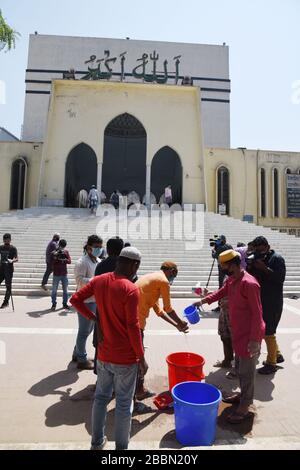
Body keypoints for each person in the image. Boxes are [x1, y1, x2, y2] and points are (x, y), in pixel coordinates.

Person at [70, 247, 148, 451]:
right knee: (123, 404)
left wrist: (94, 318)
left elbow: (75, 299)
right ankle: (121, 450)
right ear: (135, 265)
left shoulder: (99, 280)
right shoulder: (130, 289)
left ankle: (97, 443)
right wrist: (141, 357)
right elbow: (133, 327)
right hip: (126, 359)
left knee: (101, 399)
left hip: (103, 355)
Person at [194, 249, 265, 424]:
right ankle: (242, 395)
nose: (221, 268)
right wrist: (203, 301)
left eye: (223, 265)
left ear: (232, 264)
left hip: (249, 336)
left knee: (247, 373)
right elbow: (220, 293)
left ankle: (245, 406)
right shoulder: (232, 280)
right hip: (238, 333)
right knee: (240, 368)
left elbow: (258, 314)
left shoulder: (249, 284)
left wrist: (255, 340)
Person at [135, 261, 189, 400]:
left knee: (133, 356)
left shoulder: (153, 279)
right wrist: (181, 322)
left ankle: (133, 389)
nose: (173, 279)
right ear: (171, 270)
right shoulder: (163, 281)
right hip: (136, 323)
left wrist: (176, 325)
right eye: (174, 275)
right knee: (139, 359)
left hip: (129, 319)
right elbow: (168, 308)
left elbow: (159, 310)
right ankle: (138, 392)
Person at [247, 236, 286, 375]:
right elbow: (254, 278)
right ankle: (278, 354)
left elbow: (279, 278)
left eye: (261, 249)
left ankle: (271, 363)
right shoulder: (259, 259)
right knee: (264, 330)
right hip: (262, 300)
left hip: (273, 302)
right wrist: (251, 266)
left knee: (269, 332)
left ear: (267, 246)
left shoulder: (277, 259)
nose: (259, 252)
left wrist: (265, 268)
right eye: (256, 250)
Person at [93, 237, 125, 373]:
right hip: (119, 313)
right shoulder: (125, 266)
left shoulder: (100, 266)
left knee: (100, 343)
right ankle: (115, 377)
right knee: (118, 345)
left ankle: (99, 375)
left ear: (108, 249)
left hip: (101, 310)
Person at [72, 235, 103, 370]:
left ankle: (77, 353)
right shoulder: (82, 262)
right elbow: (79, 280)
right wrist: (94, 281)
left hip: (95, 300)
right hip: (85, 301)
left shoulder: (98, 260)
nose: (99, 249)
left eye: (100, 247)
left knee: (88, 329)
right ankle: (82, 359)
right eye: (96, 247)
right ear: (89, 247)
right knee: (84, 331)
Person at [211, 235, 233, 312]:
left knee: (221, 286)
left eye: (219, 240)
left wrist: (213, 251)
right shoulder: (229, 246)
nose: (217, 242)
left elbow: (214, 256)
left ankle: (220, 306)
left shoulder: (220, 248)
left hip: (222, 269)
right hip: (231, 269)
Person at [51, 239, 71, 311]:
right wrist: (56, 257)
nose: (62, 248)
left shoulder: (66, 252)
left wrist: (64, 259)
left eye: (63, 246)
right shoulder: (55, 252)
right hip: (56, 273)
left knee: (65, 290)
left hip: (64, 274)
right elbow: (52, 261)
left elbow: (69, 261)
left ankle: (65, 303)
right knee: (54, 290)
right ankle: (54, 304)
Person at [0, 234, 18, 309]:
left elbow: (17, 259)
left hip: (9, 270)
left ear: (10, 240)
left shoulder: (13, 248)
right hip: (1, 269)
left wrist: (12, 260)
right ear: (3, 240)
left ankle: (6, 301)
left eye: (8, 239)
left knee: (8, 286)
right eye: (5, 239)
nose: (6, 240)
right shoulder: (1, 247)